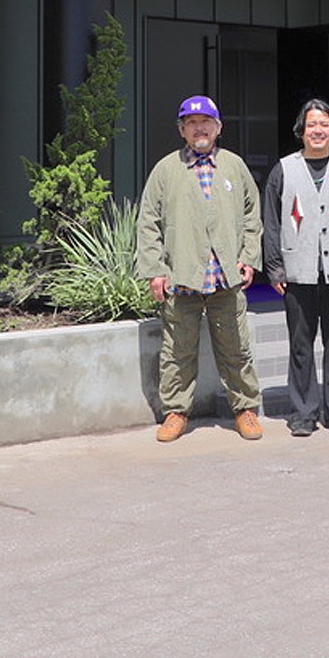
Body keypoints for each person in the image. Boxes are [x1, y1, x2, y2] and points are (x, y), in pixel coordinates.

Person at [136, 94, 264, 443]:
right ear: (182, 131)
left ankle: (245, 409)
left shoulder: (234, 167)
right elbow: (147, 223)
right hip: (182, 277)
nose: (200, 128)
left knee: (236, 348)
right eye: (192, 123)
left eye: (206, 122)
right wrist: (155, 270)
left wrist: (249, 257)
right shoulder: (165, 170)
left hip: (225, 277)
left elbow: (253, 216)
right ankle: (176, 412)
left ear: (218, 128)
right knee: (177, 351)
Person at [263, 99, 329, 437]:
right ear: (301, 131)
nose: (318, 130)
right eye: (312, 125)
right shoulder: (283, 170)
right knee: (300, 345)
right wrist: (275, 268)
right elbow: (272, 223)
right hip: (298, 272)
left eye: (324, 124)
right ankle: (304, 413)